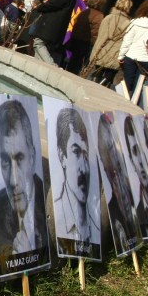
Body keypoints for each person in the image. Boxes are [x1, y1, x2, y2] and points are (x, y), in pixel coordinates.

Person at [0, 99, 48, 261]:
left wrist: (29, 257)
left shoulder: (46, 199)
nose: (14, 182)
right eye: (5, 162)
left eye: (20, 158)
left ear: (32, 157)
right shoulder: (1, 203)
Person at [53, 108, 99, 256]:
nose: (83, 168)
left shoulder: (96, 230)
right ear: (62, 157)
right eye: (76, 152)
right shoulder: (57, 220)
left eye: (86, 154)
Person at [97, 113, 140, 255]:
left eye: (114, 148)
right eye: (109, 150)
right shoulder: (112, 207)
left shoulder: (133, 192)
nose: (115, 156)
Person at [117, 0, 148, 95]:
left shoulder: (135, 23)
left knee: (126, 83)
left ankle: (120, 103)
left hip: (131, 56)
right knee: (138, 87)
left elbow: (127, 41)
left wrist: (121, 56)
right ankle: (132, 105)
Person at [31, 0, 78, 66]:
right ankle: (38, 68)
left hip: (51, 23)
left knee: (38, 43)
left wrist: (39, 7)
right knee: (44, 48)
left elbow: (54, 4)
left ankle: (52, 67)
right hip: (58, 25)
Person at [122, 115, 148, 239]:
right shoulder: (136, 214)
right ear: (131, 161)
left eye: (142, 150)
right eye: (135, 152)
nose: (140, 159)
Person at [89, 0, 132, 87]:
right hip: (116, 53)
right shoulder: (129, 23)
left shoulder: (108, 18)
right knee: (109, 76)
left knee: (97, 74)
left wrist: (95, 54)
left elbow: (102, 37)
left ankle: (92, 89)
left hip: (103, 51)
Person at [66, 0, 106, 74]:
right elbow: (96, 32)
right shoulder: (99, 16)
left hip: (77, 40)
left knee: (72, 63)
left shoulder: (84, 12)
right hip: (87, 43)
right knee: (81, 66)